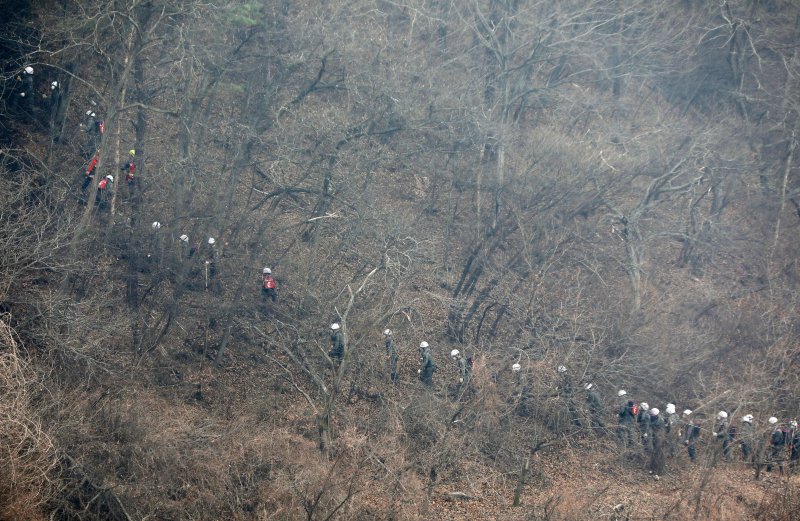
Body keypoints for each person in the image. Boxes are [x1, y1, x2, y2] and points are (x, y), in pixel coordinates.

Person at [648, 408, 665, 475]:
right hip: (654, 438)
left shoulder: (660, 421)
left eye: (652, 414)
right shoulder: (653, 419)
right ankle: (652, 469)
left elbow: (662, 431)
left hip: (659, 439)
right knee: (653, 454)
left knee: (657, 455)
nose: (651, 415)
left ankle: (656, 471)